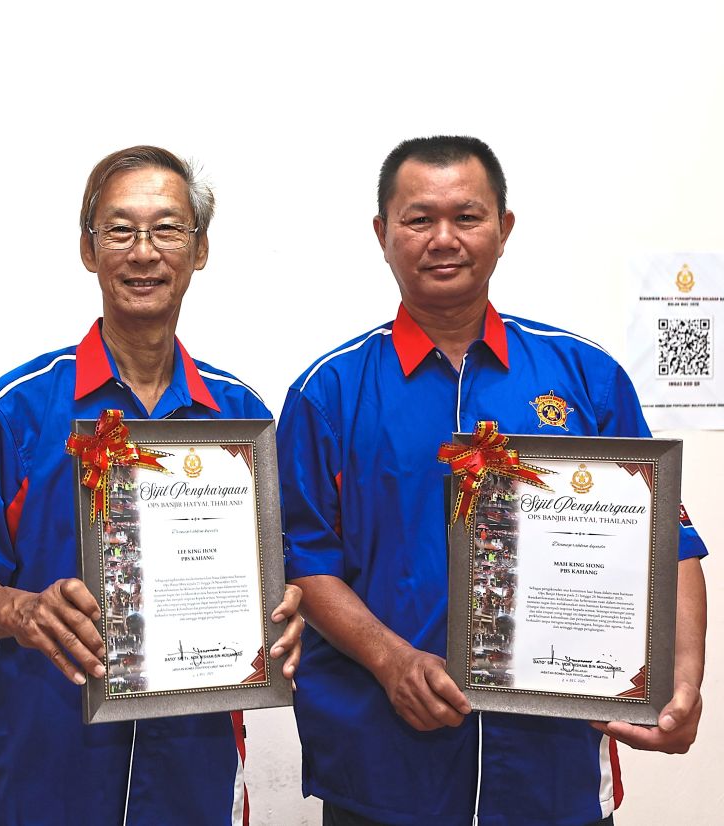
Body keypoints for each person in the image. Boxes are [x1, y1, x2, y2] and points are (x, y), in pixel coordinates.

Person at [277, 135, 708, 826]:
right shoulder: (327, 392)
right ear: (382, 234)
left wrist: (683, 680)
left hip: (552, 771)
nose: (443, 238)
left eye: (467, 216)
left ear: (504, 230)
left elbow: (671, 543)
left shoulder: (585, 378)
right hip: (383, 770)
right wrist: (391, 661)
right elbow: (304, 560)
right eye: (419, 219)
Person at [0, 145, 304, 825]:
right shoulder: (15, 409)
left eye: (168, 228)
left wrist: (286, 612)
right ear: (88, 249)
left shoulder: (241, 417)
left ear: (199, 250)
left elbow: (279, 572)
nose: (144, 252)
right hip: (51, 765)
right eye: (120, 229)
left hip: (196, 772)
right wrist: (23, 611)